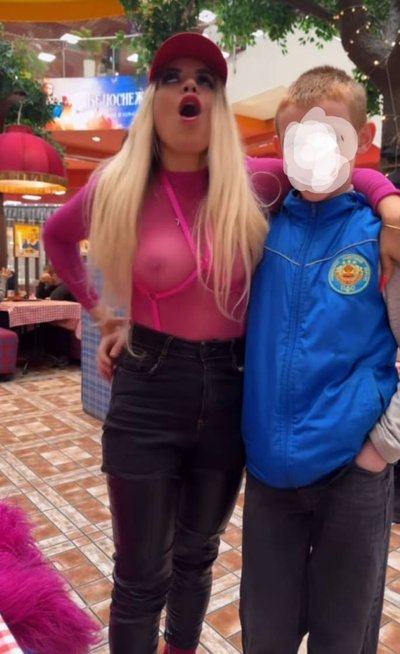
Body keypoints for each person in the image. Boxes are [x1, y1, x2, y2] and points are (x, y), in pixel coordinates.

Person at [43, 33, 400, 654]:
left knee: (200, 557)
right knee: (142, 573)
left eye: (205, 79)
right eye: (173, 77)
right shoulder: (120, 184)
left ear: (217, 102)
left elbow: (352, 174)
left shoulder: (258, 184)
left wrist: (389, 203)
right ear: (153, 98)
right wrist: (105, 314)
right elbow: (56, 235)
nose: (190, 87)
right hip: (161, 391)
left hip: (244, 400)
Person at [240, 66, 400, 654]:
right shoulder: (258, 229)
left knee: (343, 639)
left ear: (362, 138)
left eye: (331, 138)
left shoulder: (381, 237)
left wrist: (382, 446)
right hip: (268, 477)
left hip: (351, 475)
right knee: (265, 637)